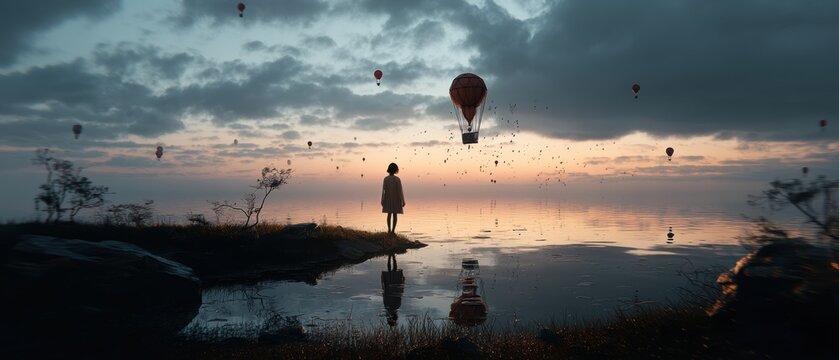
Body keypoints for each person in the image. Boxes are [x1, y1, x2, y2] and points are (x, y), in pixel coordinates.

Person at [381, 163, 405, 234]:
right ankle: (393, 231)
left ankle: (389, 230)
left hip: (388, 198)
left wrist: (382, 200)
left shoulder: (385, 179)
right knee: (395, 215)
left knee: (389, 214)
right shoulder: (397, 179)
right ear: (395, 170)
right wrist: (403, 200)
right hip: (396, 198)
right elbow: (400, 191)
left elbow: (383, 191)